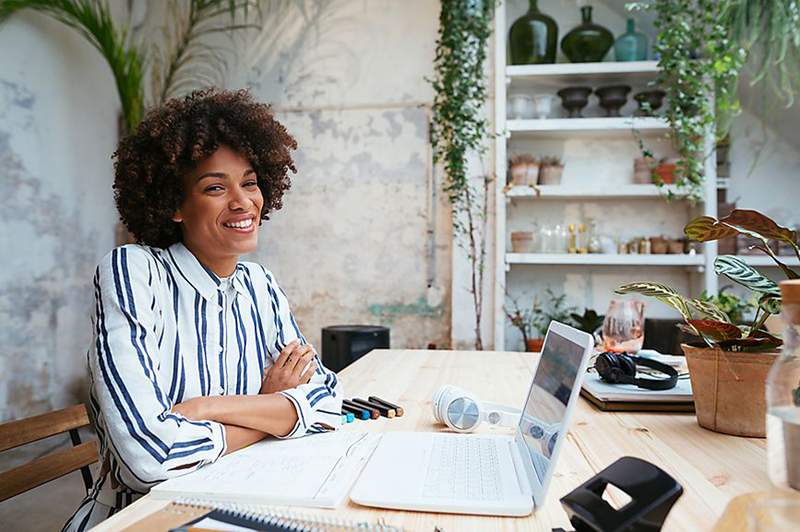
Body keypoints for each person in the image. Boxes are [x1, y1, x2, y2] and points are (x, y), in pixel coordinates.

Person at [63, 88, 342, 531]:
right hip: (143, 520)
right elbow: (149, 460)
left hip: (242, 507)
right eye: (215, 187)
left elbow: (328, 404)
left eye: (249, 183)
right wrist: (271, 411)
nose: (242, 201)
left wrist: (208, 407)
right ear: (175, 204)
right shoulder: (133, 272)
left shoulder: (260, 285)